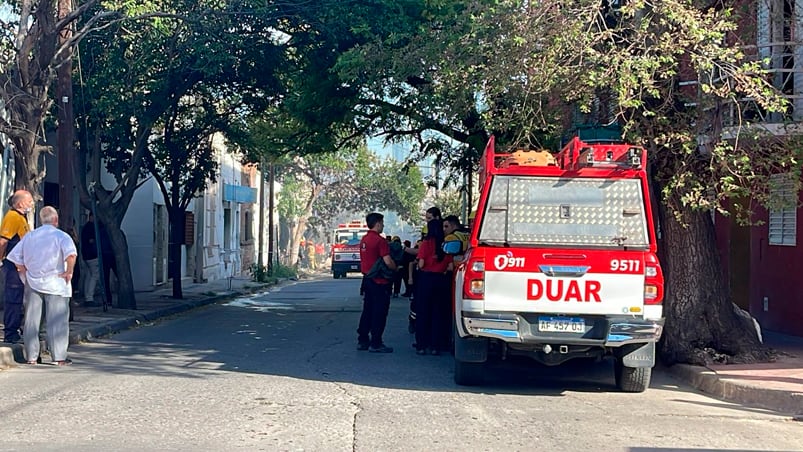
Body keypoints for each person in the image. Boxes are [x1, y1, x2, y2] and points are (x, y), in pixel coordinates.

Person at [7, 206, 77, 365]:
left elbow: (16, 258)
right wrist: (69, 272)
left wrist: (24, 271)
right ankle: (58, 357)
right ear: (56, 220)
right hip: (57, 283)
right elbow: (71, 255)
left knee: (31, 320)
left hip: (33, 282)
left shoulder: (30, 236)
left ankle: (31, 357)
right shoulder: (62, 236)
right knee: (56, 321)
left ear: (41, 220)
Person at [356, 212, 396, 353]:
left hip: (367, 279)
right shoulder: (380, 241)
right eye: (382, 223)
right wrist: (395, 268)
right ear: (378, 223)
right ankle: (376, 342)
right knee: (379, 312)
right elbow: (387, 261)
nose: (383, 226)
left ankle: (363, 340)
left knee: (367, 310)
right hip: (380, 281)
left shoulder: (364, 240)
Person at [414, 218, 452, 356]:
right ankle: (435, 345)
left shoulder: (425, 244)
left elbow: (421, 264)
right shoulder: (446, 244)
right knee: (437, 313)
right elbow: (450, 266)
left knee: (423, 312)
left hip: (426, 279)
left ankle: (421, 345)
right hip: (441, 280)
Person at [0, 190, 33, 343]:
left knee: (19, 299)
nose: (32, 204)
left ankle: (15, 329)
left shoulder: (22, 218)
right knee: (13, 298)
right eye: (29, 201)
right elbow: (3, 241)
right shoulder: (12, 217)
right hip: (13, 265)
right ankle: (10, 333)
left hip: (21, 265)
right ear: (20, 203)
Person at [80, 213, 101, 306]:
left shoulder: (86, 227)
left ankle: (87, 296)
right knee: (95, 275)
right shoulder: (91, 228)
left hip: (86, 255)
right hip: (92, 255)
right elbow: (91, 241)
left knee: (89, 275)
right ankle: (89, 297)